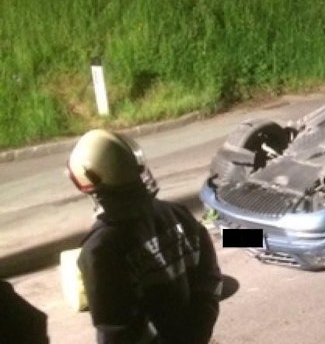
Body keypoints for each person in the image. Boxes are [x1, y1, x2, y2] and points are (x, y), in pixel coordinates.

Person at [67, 129, 222, 344]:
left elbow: (118, 332)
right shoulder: (179, 215)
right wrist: (197, 336)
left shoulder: (101, 250)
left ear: (88, 179)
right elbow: (208, 281)